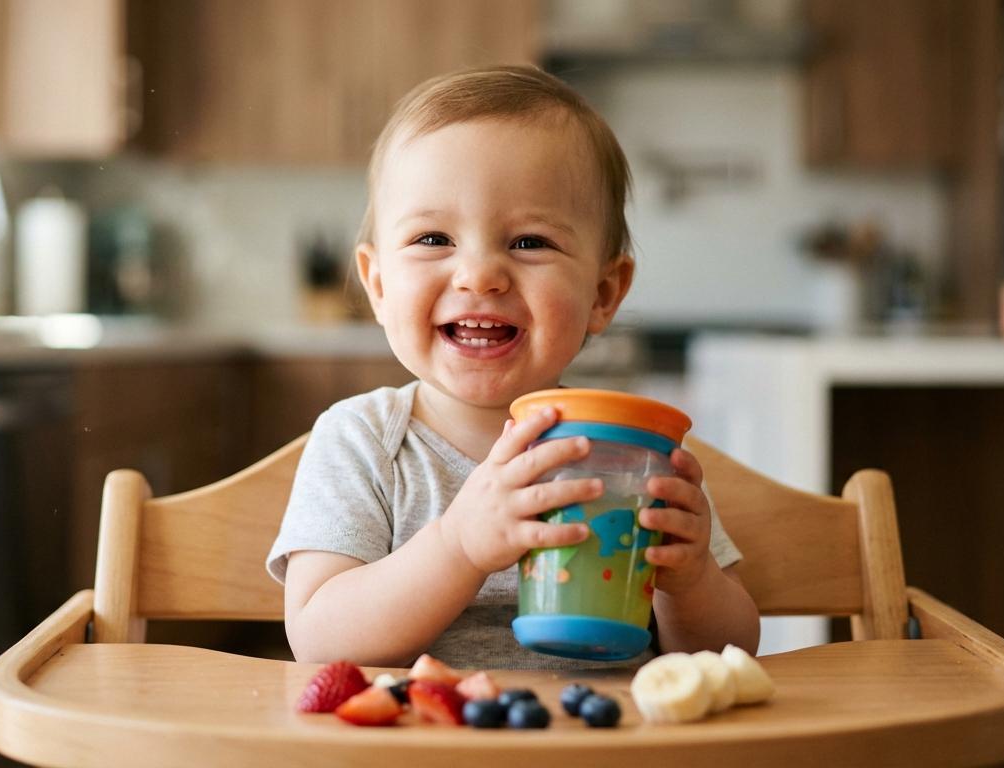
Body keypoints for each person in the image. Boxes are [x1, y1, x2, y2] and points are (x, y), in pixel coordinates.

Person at [266, 65, 759, 669]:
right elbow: (320, 639)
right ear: (378, 285)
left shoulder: (627, 450)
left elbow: (725, 652)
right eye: (432, 239)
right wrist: (459, 546)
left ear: (604, 293)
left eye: (529, 242)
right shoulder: (364, 442)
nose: (479, 274)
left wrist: (693, 580)